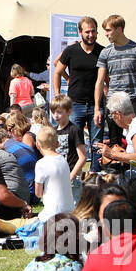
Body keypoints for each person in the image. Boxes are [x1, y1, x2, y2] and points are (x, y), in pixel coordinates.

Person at [54, 16, 102, 172]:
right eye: (87, 32)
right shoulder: (71, 50)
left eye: (93, 31)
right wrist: (57, 96)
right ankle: (71, 174)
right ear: (80, 32)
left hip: (96, 104)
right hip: (75, 104)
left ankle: (95, 175)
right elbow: (57, 71)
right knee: (73, 141)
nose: (90, 35)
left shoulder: (102, 51)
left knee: (96, 143)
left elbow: (105, 78)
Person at [94, 15, 136, 136]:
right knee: (115, 142)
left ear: (119, 29)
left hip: (133, 100)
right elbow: (99, 82)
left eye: (109, 30)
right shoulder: (105, 52)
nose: (106, 34)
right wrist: (96, 108)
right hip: (113, 101)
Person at [33, 125, 74, 221]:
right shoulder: (63, 160)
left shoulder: (41, 164)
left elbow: (38, 193)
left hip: (52, 214)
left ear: (38, 145)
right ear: (57, 144)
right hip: (69, 210)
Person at [49, 94, 87, 182]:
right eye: (53, 112)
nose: (56, 115)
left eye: (59, 112)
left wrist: (72, 176)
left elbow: (82, 157)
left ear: (69, 112)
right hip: (57, 175)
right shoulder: (53, 131)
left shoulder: (74, 130)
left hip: (71, 176)